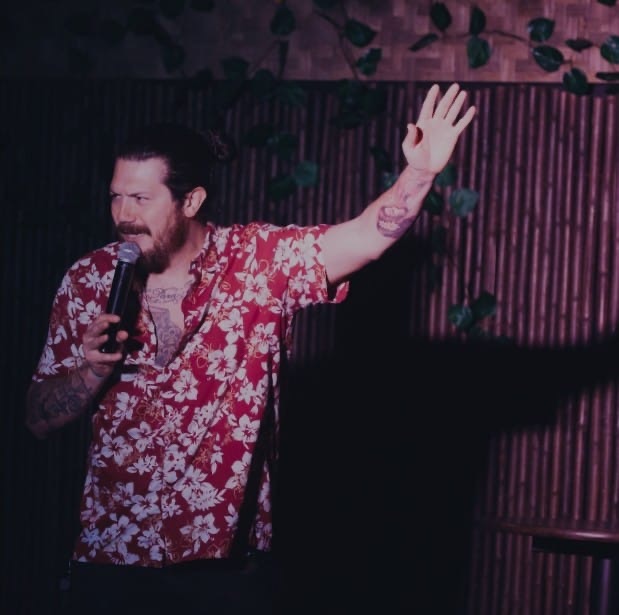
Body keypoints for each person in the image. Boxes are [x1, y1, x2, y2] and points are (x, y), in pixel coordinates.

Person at [25, 83, 476, 614]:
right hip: (111, 556)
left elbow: (364, 238)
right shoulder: (88, 280)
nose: (123, 213)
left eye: (141, 199)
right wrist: (88, 373)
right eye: (116, 196)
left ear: (191, 200)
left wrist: (419, 173)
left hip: (225, 564)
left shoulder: (257, 262)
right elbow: (37, 418)